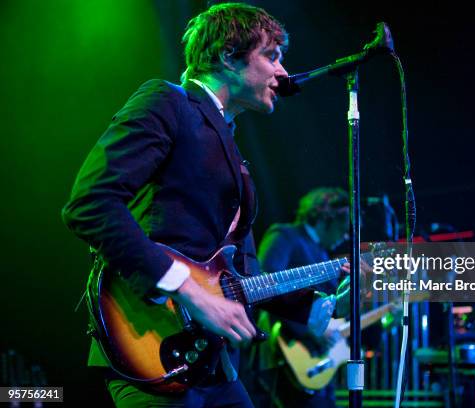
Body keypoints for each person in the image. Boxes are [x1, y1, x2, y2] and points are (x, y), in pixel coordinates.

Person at [62, 3, 335, 407]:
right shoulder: (167, 102)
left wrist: (316, 308)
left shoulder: (228, 141)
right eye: (272, 56)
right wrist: (189, 291)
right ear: (228, 55)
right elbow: (90, 203)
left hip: (210, 360)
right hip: (151, 345)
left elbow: (238, 278)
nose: (282, 72)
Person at [246, 187, 350, 408]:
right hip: (281, 355)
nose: (346, 235)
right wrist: (311, 329)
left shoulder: (322, 253)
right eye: (343, 226)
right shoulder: (284, 235)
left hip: (313, 359)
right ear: (326, 218)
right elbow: (263, 287)